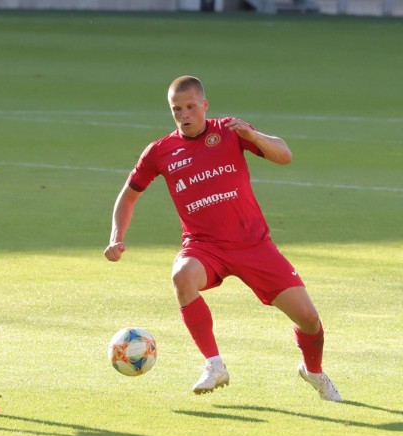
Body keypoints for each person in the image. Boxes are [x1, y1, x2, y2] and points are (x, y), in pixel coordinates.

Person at [104, 75, 342, 402]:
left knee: (309, 320)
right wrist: (116, 238)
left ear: (205, 105)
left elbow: (284, 155)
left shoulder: (229, 131)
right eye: (177, 109)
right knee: (182, 276)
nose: (184, 114)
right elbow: (128, 196)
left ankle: (313, 371)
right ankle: (214, 364)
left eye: (190, 107)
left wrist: (252, 134)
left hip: (254, 245)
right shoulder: (159, 152)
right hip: (204, 248)